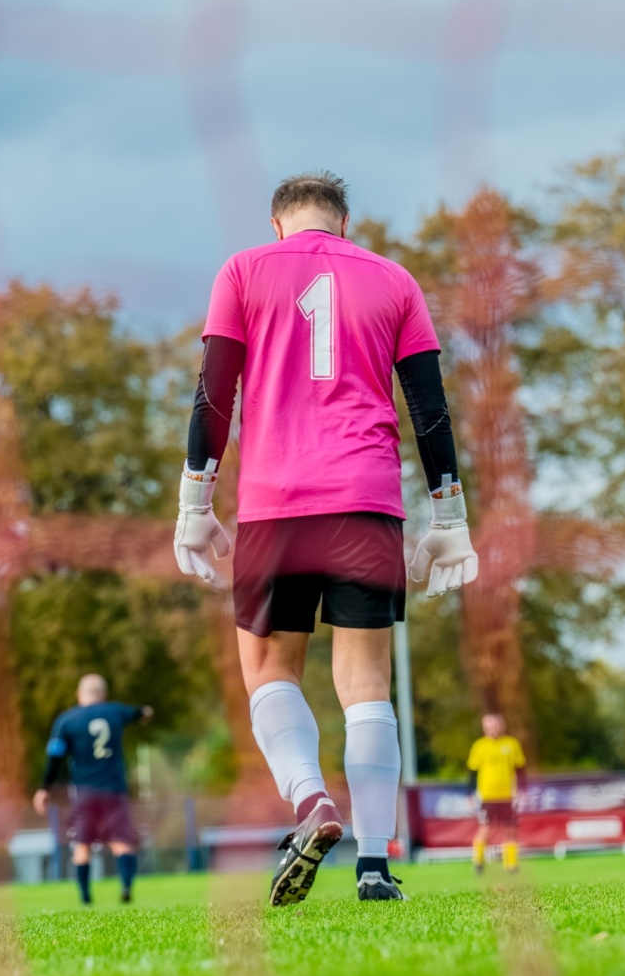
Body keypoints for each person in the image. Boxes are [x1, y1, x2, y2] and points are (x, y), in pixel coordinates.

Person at [173, 170, 478, 906]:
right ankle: (374, 866)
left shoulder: (243, 270)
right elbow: (430, 408)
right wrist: (450, 517)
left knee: (269, 670)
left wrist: (194, 503)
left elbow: (215, 394)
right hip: (367, 499)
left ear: (277, 223)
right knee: (367, 685)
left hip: (275, 502)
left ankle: (311, 801)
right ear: (345, 223)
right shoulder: (394, 279)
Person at [33, 674, 153, 906]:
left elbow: (54, 758)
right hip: (115, 790)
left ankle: (86, 897)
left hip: (84, 793)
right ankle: (126, 886)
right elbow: (141, 712)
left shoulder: (66, 721)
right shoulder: (116, 711)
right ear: (103, 695)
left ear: (79, 694)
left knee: (82, 844)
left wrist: (44, 788)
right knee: (120, 840)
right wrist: (146, 713)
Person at [467, 713, 527, 874]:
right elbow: (472, 772)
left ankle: (511, 865)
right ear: (484, 728)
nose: (493, 729)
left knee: (511, 830)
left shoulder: (511, 744)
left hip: (507, 796)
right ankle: (478, 861)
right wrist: (470, 794)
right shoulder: (479, 746)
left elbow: (520, 769)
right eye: (489, 726)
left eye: (495, 725)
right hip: (487, 796)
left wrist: (523, 790)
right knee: (485, 829)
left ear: (502, 726)